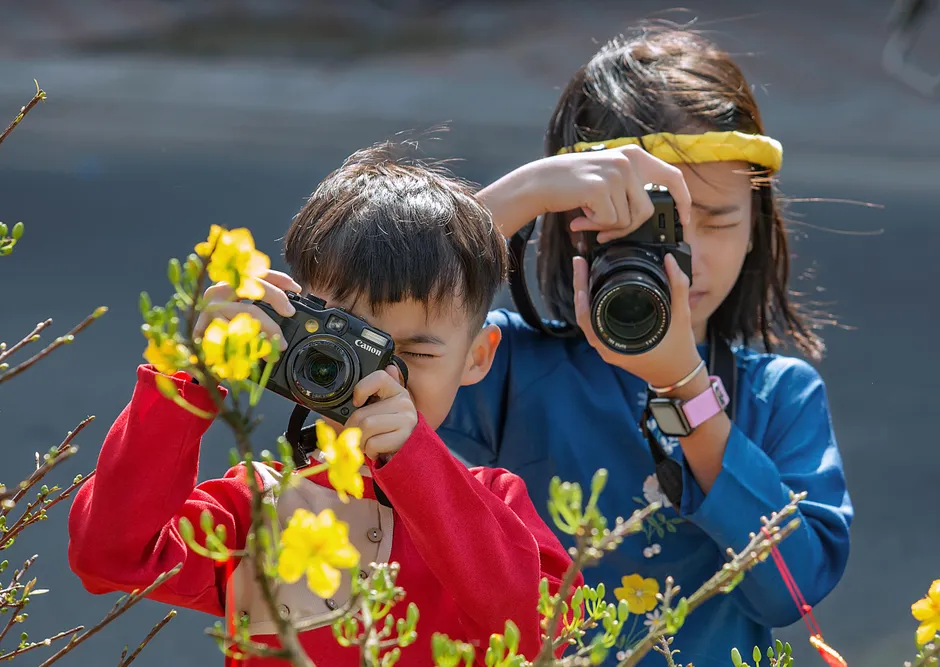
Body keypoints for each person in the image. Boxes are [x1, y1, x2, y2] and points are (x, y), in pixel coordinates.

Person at [67, 144, 582, 667]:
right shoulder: (259, 504)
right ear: (292, 323)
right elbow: (110, 556)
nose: (382, 379)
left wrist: (416, 465)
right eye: (347, 345)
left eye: (415, 353)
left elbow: (546, 634)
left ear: (477, 357)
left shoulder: (496, 503)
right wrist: (188, 382)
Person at [438, 23, 853, 665]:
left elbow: (791, 592)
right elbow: (369, 364)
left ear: (756, 227)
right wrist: (515, 197)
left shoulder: (780, 395)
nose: (685, 258)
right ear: (570, 223)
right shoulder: (494, 363)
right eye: (655, 225)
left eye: (715, 220)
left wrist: (685, 388)